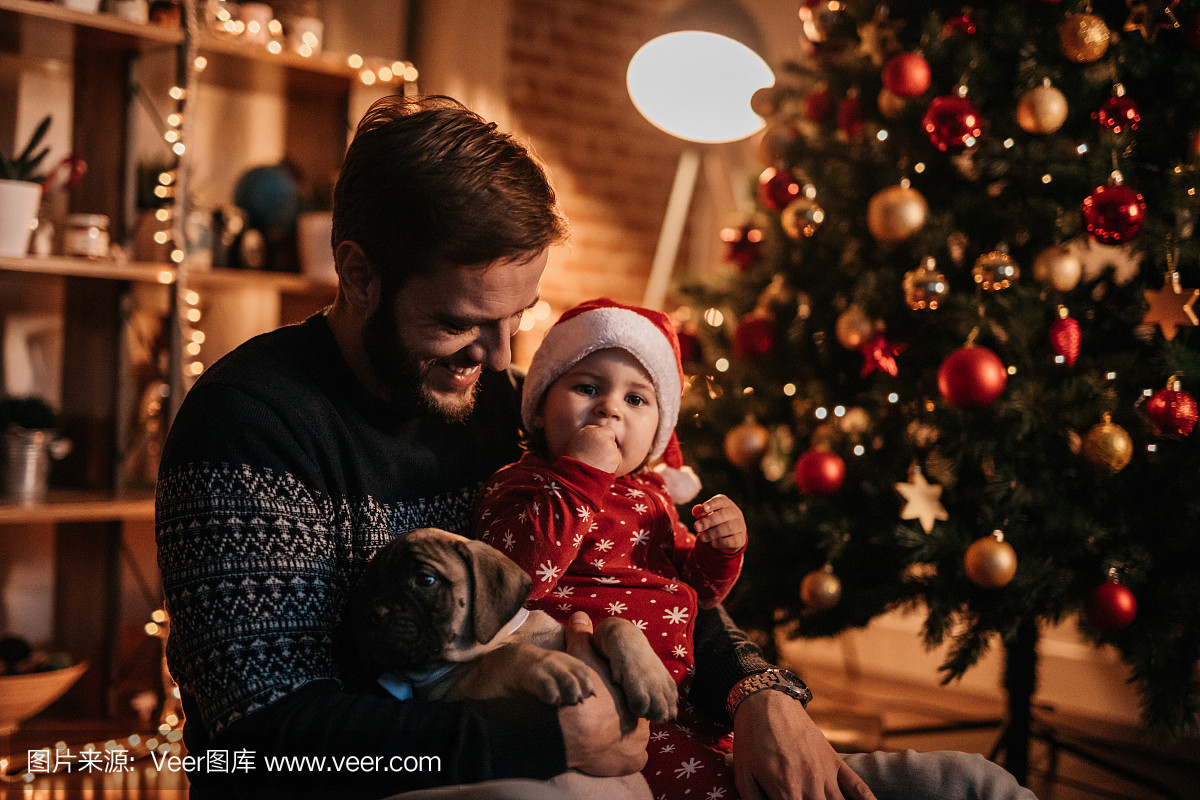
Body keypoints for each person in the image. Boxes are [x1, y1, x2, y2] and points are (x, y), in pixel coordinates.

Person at [156, 93, 1039, 800]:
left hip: (643, 749)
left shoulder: (501, 399)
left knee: (969, 783)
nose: (499, 362)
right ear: (357, 274)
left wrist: (761, 692)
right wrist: (537, 735)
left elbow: (646, 564)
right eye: (461, 325)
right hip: (460, 777)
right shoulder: (249, 423)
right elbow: (259, 744)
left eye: (516, 321)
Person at [472, 297, 751, 800]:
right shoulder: (522, 483)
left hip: (680, 700)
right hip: (599, 704)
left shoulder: (654, 499)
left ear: (656, 435)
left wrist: (722, 549)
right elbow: (515, 580)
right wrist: (580, 477)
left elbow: (701, 594)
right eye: (587, 387)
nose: (609, 408)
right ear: (538, 409)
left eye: (636, 399)